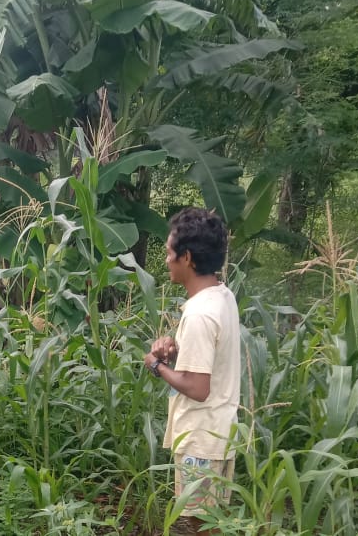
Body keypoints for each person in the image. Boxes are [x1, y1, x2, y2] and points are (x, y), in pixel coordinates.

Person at [142, 207, 240, 535]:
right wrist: (176, 351)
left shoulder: (200, 315)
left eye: (170, 253)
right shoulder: (221, 297)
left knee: (202, 524)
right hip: (218, 433)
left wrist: (156, 365)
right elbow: (210, 359)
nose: (166, 260)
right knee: (211, 519)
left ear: (187, 258)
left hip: (200, 439)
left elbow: (198, 388)